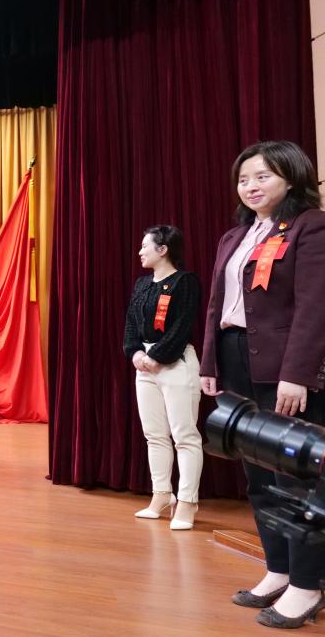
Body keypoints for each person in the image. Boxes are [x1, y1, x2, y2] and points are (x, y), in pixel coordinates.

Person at [200, 141, 325, 629]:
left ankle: (308, 584)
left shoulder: (310, 226)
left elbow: (315, 306)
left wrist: (297, 374)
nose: (250, 186)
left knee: (295, 478)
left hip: (283, 367)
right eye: (243, 179)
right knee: (257, 475)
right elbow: (218, 305)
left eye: (262, 176)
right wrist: (210, 362)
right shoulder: (235, 236)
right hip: (235, 359)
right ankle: (279, 569)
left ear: (290, 178)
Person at [122, 225, 202, 530]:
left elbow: (183, 325)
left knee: (185, 436)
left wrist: (157, 356)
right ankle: (161, 495)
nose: (140, 251)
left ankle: (188, 502)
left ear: (163, 249)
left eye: (145, 246)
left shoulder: (185, 281)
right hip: (144, 365)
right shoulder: (142, 284)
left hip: (175, 362)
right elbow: (131, 323)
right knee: (154, 435)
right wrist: (135, 353)